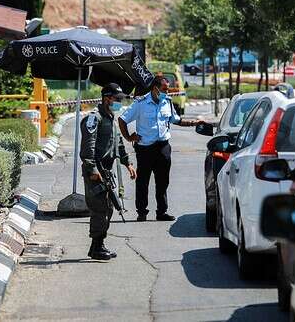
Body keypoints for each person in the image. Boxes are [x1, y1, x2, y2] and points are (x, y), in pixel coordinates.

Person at [118, 75, 203, 222]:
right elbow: (122, 119)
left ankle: (162, 212)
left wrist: (194, 123)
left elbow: (176, 120)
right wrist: (129, 137)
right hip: (145, 148)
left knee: (163, 181)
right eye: (164, 89)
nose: (167, 92)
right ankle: (142, 212)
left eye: (168, 89)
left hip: (163, 147)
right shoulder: (141, 103)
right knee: (143, 181)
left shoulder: (167, 102)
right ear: (155, 88)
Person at [80, 83, 137, 260]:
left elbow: (118, 144)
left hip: (106, 170)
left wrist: (128, 163)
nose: (119, 103)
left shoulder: (111, 118)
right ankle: (97, 247)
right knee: (99, 209)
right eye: (117, 99)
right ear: (107, 98)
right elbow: (88, 147)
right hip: (96, 170)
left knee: (109, 208)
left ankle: (98, 245)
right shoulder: (93, 118)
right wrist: (92, 169)